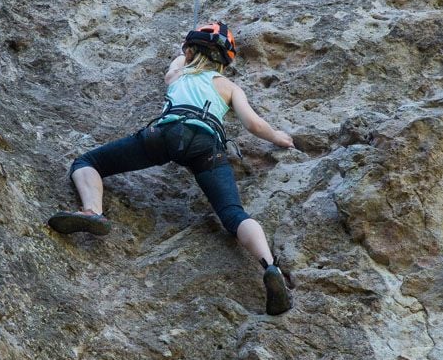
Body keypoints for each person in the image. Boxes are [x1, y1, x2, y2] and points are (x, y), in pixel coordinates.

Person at [48, 22, 296, 315]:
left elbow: (173, 68)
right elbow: (253, 124)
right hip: (207, 144)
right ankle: (269, 267)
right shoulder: (228, 87)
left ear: (190, 52)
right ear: (224, 60)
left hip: (164, 135)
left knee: (88, 163)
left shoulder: (180, 73)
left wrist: (183, 53)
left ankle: (93, 212)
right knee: (233, 214)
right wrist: (279, 137)